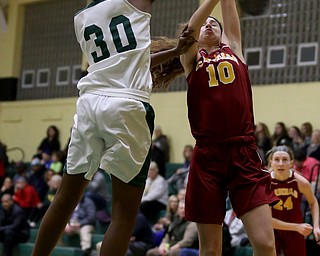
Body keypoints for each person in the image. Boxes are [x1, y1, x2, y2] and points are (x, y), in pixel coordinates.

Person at [31, 0, 195, 255]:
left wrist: (174, 52)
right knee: (123, 216)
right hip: (126, 105)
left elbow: (129, 60)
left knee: (63, 200)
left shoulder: (81, 16)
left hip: (89, 104)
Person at [151, 0, 280, 254]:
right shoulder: (191, 59)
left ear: (223, 35)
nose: (209, 24)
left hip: (243, 151)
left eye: (215, 24)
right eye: (205, 24)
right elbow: (191, 29)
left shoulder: (233, 48)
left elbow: (229, 10)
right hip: (208, 156)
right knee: (210, 249)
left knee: (265, 244)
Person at [268, 146, 320, 256]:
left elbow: (313, 202)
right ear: (271, 163)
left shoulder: (301, 182)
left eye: (285, 159)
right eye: (277, 160)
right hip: (272, 228)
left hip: (295, 229)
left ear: (291, 163)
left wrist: (316, 226)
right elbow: (267, 219)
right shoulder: (265, 184)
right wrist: (297, 227)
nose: (281, 163)